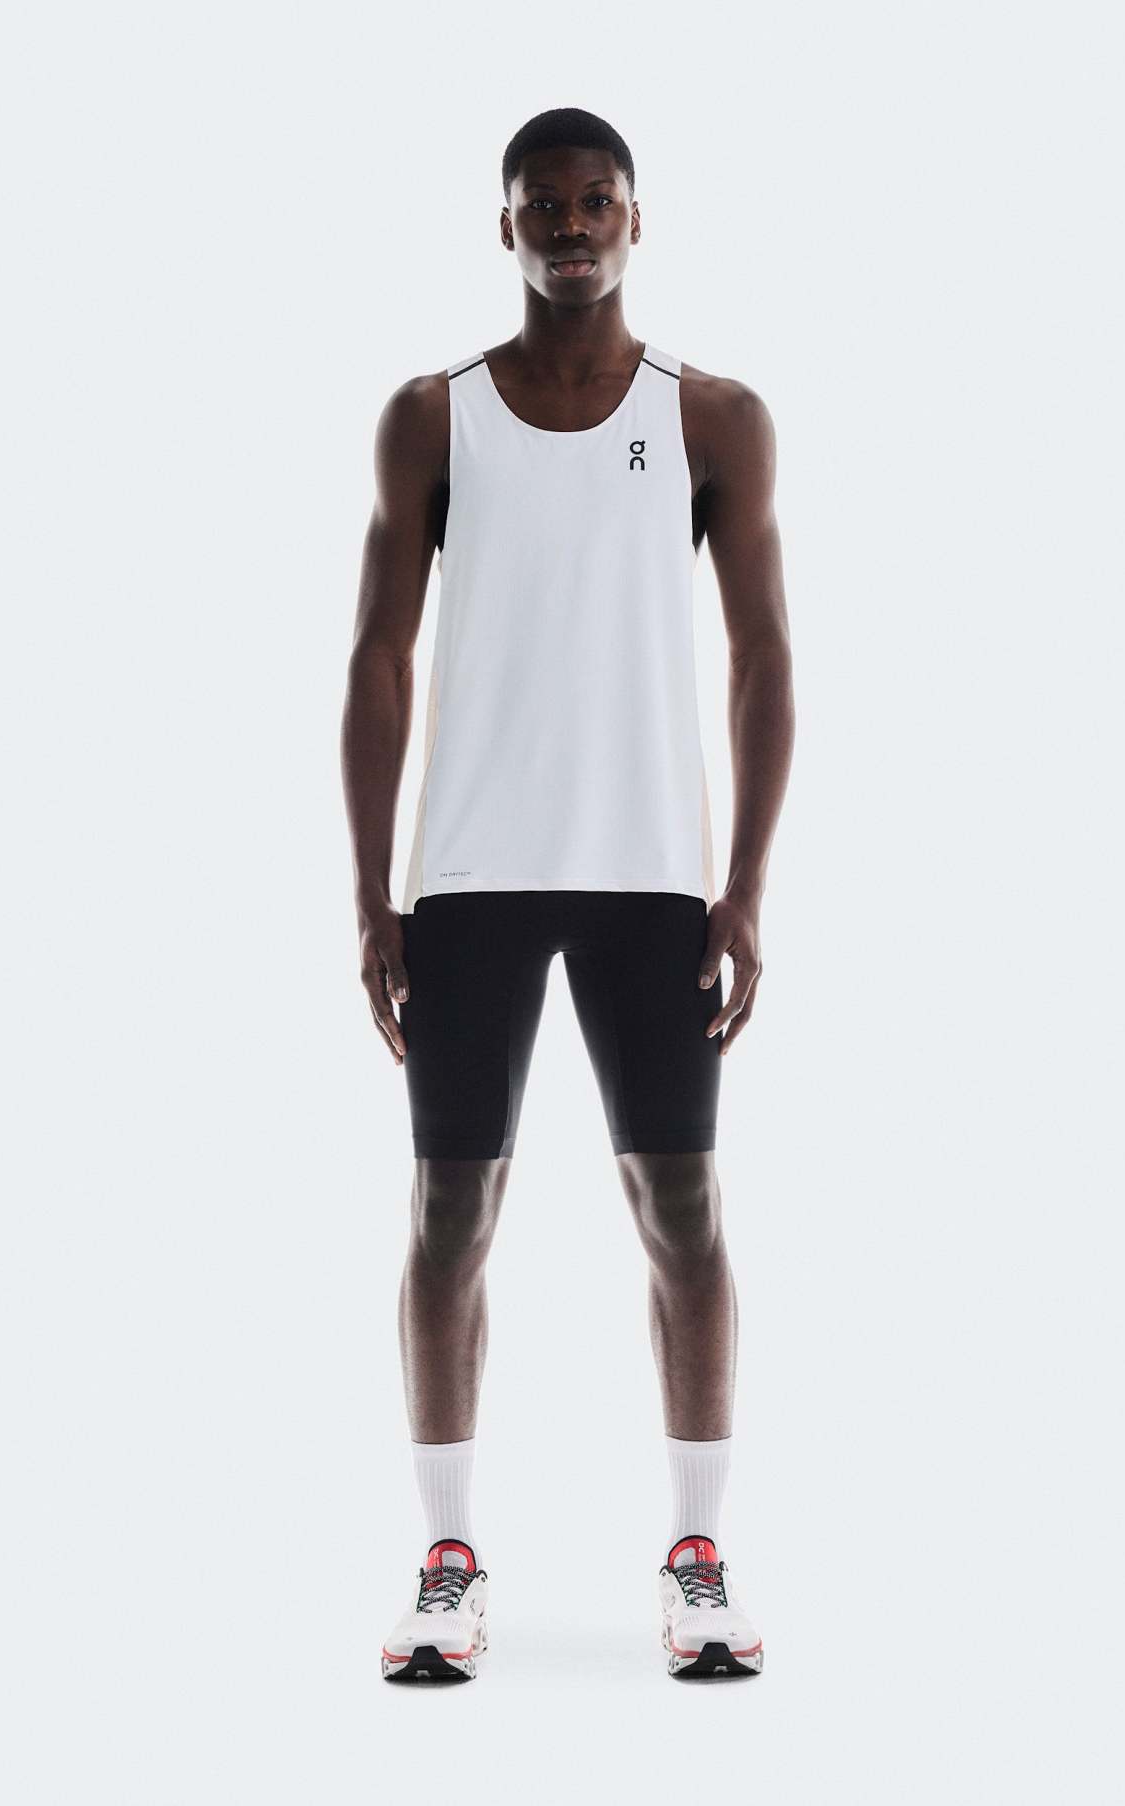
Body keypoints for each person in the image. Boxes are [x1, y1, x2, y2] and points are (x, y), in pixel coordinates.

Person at [341, 106, 795, 1681]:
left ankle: (697, 1555)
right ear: (507, 226)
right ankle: (447, 1558)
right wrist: (370, 896)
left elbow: (762, 654)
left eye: (597, 201)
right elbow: (378, 656)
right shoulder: (432, 417)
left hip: (648, 876)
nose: (573, 225)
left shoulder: (711, 417)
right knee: (448, 1210)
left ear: (635, 219)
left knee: (682, 1207)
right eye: (545, 205)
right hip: (470, 874)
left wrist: (743, 884)